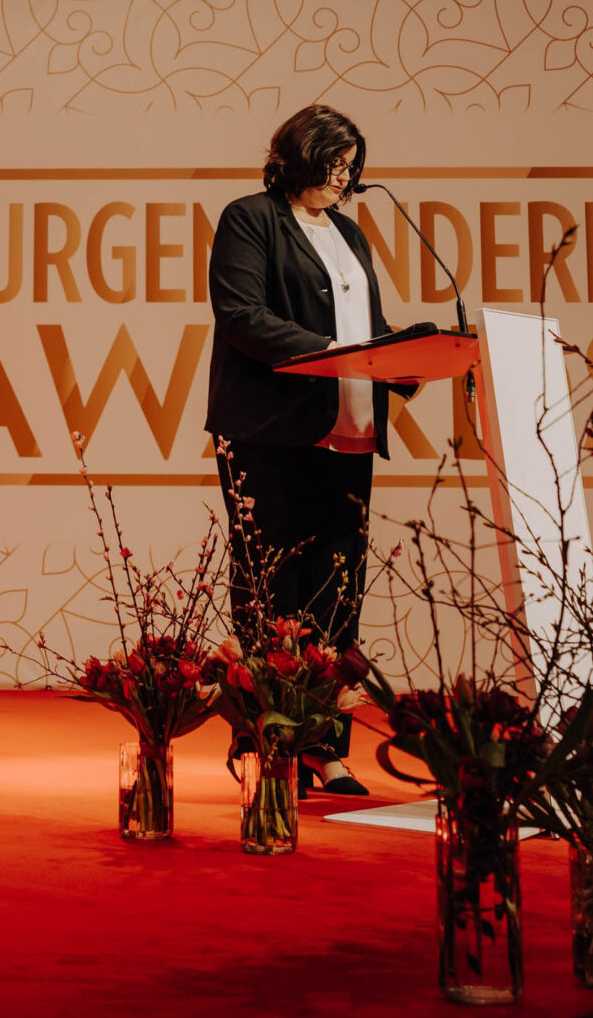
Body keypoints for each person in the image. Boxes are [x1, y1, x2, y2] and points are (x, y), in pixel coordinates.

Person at [204, 103, 418, 796]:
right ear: (298, 154)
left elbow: (363, 326)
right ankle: (267, 741)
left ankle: (324, 746)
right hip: (272, 429)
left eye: (352, 166)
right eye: (333, 161)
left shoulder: (350, 233)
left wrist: (404, 356)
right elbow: (242, 315)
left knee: (337, 595)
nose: (344, 176)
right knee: (273, 589)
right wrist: (335, 352)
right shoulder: (251, 218)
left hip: (351, 433)